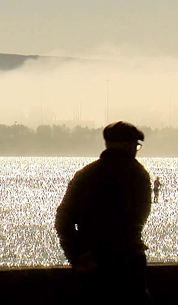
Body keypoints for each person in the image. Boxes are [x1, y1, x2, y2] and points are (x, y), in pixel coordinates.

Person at [55, 121, 152, 304]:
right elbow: (139, 218)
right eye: (136, 145)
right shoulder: (138, 174)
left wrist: (77, 255)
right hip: (128, 260)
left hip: (93, 264)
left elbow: (63, 220)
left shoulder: (85, 174)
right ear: (129, 144)